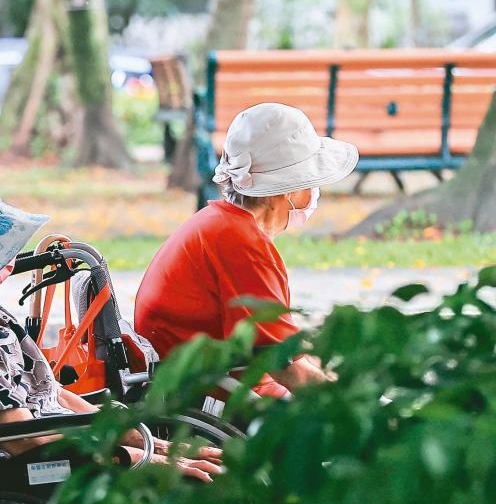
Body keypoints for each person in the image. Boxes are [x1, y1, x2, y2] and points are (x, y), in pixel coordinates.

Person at [0, 169, 224, 480]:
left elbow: (51, 391)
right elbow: (20, 439)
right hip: (37, 467)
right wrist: (135, 455)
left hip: (53, 444)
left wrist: (126, 432)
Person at [135, 102, 359, 398]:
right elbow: (282, 366)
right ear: (288, 189)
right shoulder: (242, 244)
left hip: (192, 376)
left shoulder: (218, 223)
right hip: (215, 393)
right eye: (311, 181)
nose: (314, 191)